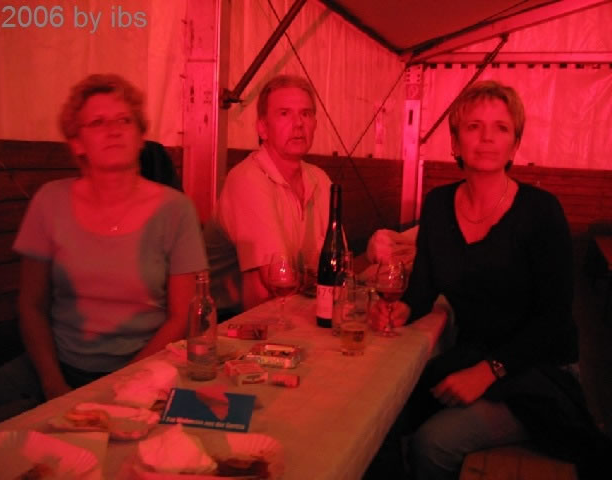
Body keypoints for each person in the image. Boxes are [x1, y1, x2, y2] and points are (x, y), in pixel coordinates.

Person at [382, 80, 610, 479]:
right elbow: (422, 290)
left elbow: (554, 322)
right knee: (387, 415)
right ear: (455, 143)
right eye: (474, 126)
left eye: (501, 128)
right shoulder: (438, 204)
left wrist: (489, 371)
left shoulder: (541, 212)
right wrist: (399, 310)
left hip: (540, 372)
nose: (487, 137)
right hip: (474, 356)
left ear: (514, 144)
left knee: (432, 443)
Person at [0, 74, 207, 430]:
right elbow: (31, 305)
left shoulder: (176, 210)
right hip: (55, 364)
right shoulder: (50, 201)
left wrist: (121, 384)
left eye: (124, 120)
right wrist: (53, 383)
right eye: (97, 122)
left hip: (145, 370)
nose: (113, 130)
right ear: (77, 142)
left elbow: (181, 316)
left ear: (140, 136)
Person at [205, 74, 332, 313]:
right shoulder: (247, 179)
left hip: (290, 312)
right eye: (284, 113)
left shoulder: (321, 180)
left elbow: (336, 267)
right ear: (262, 128)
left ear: (315, 124)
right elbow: (269, 287)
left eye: (306, 114)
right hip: (228, 322)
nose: (298, 123)